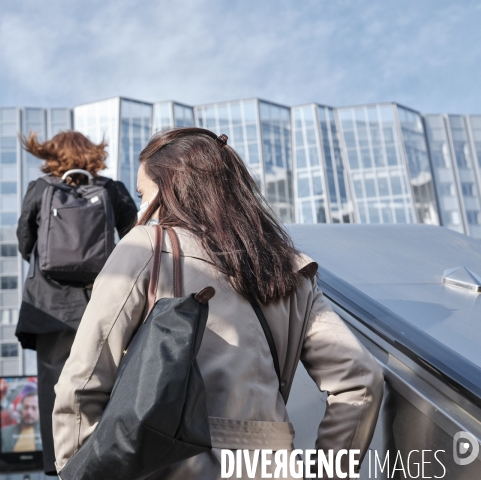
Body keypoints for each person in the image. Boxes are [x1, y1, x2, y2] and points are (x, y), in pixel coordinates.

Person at [53, 128, 384, 479]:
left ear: (168, 191)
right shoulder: (292, 269)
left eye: (142, 194)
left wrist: (75, 470)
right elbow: (361, 379)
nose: (142, 209)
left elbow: (83, 381)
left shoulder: (146, 247)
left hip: (175, 467)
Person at [16, 130, 137, 475]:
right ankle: (109, 458)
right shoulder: (111, 189)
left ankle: (60, 466)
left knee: (55, 386)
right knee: (109, 379)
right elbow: (137, 236)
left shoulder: (41, 190)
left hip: (49, 304)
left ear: (51, 155)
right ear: (93, 153)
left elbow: (25, 242)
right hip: (103, 299)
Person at [0, 388, 42, 453]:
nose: (29, 412)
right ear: (20, 409)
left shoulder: (49, 433)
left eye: (34, 408)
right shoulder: (4, 433)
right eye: (26, 407)